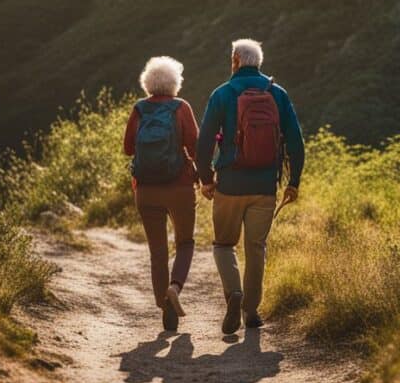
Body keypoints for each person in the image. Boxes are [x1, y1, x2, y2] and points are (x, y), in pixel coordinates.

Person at [196, 39, 304, 335]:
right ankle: (252, 311)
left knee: (223, 244)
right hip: (265, 186)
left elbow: (204, 142)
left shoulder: (222, 93)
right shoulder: (277, 94)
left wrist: (206, 179)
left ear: (235, 61)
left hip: (230, 184)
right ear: (258, 62)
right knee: (256, 247)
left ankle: (234, 293)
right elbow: (296, 141)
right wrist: (293, 182)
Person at [124, 56, 200, 332]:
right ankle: (175, 289)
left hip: (145, 190)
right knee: (185, 242)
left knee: (158, 250)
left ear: (148, 83)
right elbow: (195, 146)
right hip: (179, 187)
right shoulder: (181, 107)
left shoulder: (139, 109)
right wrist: (206, 178)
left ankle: (163, 305)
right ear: (175, 83)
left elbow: (128, 149)